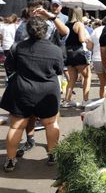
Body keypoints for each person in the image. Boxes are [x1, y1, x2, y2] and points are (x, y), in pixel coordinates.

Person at [1, 16, 64, 172]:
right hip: (47, 91)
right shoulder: (55, 49)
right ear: (46, 31)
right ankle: (52, 155)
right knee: (51, 124)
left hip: (23, 90)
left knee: (16, 126)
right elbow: (59, 70)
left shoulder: (17, 47)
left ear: (28, 30)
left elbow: (9, 66)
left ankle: (10, 160)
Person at [13, 0, 69, 158]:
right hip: (28, 73)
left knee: (51, 115)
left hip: (48, 72)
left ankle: (53, 148)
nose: (34, 13)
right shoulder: (23, 26)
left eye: (37, 10)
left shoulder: (52, 23)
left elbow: (65, 33)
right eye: (32, 10)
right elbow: (15, 48)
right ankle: (30, 139)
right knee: (28, 113)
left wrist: (50, 16)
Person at [61, 7, 93, 108]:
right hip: (78, 52)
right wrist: (87, 39)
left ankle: (67, 100)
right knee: (87, 76)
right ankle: (85, 100)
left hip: (68, 52)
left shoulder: (66, 25)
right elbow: (81, 39)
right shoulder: (79, 24)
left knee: (72, 79)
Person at [90, 15, 106, 99]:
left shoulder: (95, 30)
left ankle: (101, 101)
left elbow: (89, 46)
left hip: (96, 58)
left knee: (102, 83)